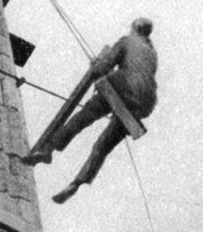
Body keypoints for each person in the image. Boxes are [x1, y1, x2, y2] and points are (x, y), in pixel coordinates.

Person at [24, 18, 158, 204]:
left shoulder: (126, 41)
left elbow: (103, 67)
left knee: (82, 119)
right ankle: (77, 183)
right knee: (102, 147)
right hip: (144, 104)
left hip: (121, 87)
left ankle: (49, 149)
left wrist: (97, 65)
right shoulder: (152, 53)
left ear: (134, 29)